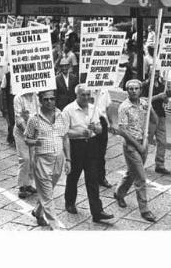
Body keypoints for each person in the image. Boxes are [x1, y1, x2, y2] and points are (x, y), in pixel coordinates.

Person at [62, 85, 113, 224]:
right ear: (76, 95)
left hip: (91, 145)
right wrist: (79, 133)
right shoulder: (68, 110)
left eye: (87, 95)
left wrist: (96, 128)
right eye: (82, 95)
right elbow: (64, 133)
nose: (85, 97)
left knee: (92, 178)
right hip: (75, 146)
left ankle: (97, 211)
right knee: (74, 176)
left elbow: (100, 129)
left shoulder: (93, 108)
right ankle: (70, 202)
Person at [114, 79, 158, 222]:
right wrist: (138, 146)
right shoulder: (124, 107)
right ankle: (144, 210)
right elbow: (122, 130)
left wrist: (149, 138)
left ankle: (119, 192)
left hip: (143, 142)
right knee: (140, 177)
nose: (134, 91)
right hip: (131, 145)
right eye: (131, 88)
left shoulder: (145, 103)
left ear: (140, 90)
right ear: (127, 91)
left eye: (136, 88)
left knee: (132, 172)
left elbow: (154, 120)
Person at [25, 90, 70, 229]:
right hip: (42, 160)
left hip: (59, 158)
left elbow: (65, 137)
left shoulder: (61, 115)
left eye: (52, 98)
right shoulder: (34, 119)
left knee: (48, 191)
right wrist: (35, 143)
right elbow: (27, 139)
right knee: (47, 195)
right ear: (40, 101)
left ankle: (38, 211)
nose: (49, 101)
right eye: (46, 99)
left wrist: (68, 159)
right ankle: (55, 226)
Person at [142, 73, 171, 175]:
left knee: (162, 141)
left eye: (158, 72)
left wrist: (166, 96)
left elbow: (166, 101)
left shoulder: (161, 85)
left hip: (160, 115)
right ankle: (140, 163)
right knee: (146, 141)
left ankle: (160, 165)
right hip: (150, 116)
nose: (156, 74)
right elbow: (143, 100)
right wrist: (157, 96)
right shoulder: (144, 85)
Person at [13, 91, 37, 198]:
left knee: (33, 159)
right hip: (21, 132)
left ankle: (28, 184)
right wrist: (26, 132)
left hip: (35, 132)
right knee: (25, 158)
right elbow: (19, 119)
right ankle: (21, 186)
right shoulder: (18, 98)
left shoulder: (37, 96)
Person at [92, 87, 114, 188]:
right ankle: (91, 176)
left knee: (101, 152)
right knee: (90, 152)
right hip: (91, 121)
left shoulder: (104, 91)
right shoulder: (87, 89)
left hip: (102, 121)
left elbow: (108, 107)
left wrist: (111, 123)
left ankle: (101, 177)